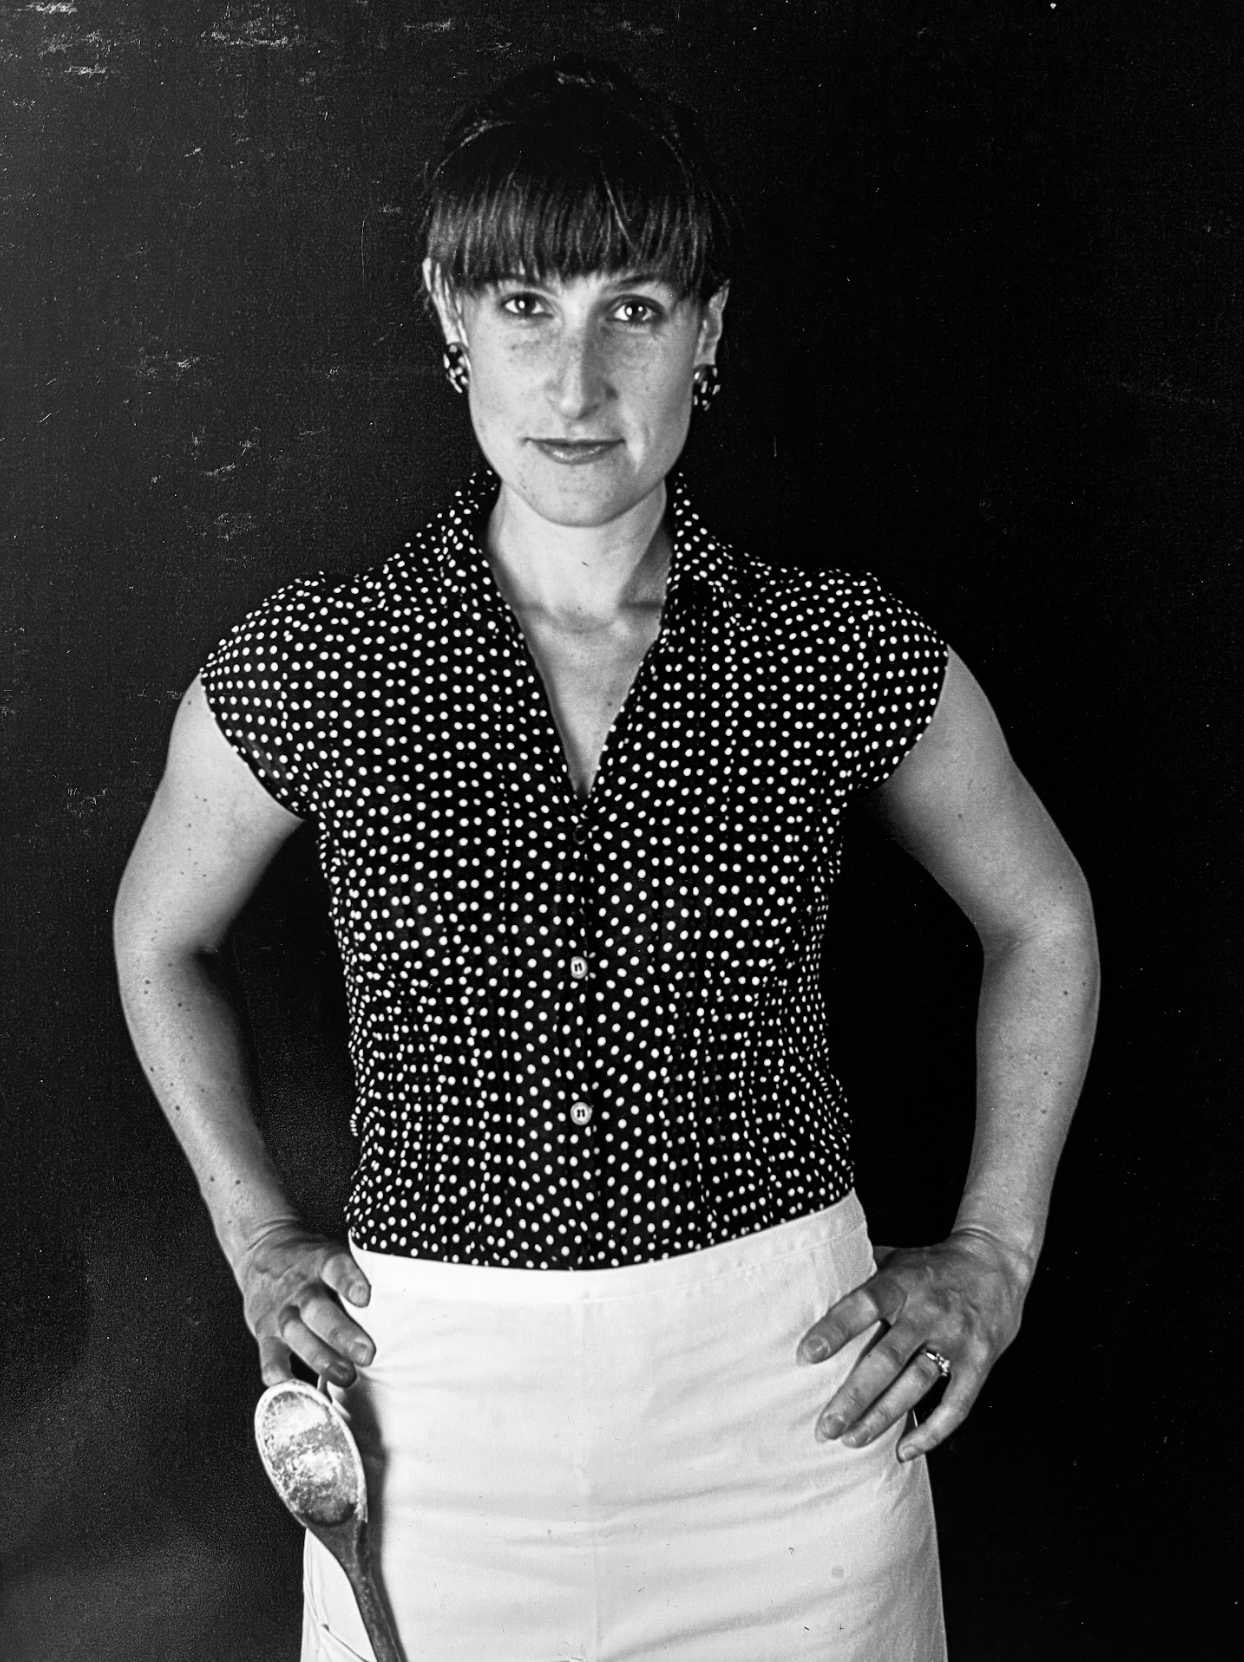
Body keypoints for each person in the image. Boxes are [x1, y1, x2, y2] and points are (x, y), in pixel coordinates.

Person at [114, 56, 1098, 1662]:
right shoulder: (316, 659)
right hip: (430, 1435)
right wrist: (251, 1230)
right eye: (523, 302)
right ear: (450, 314)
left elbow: (1041, 912)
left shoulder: (838, 652)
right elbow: (159, 935)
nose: (575, 378)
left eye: (633, 307)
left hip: (795, 1415)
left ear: (710, 331)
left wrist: (994, 1247)